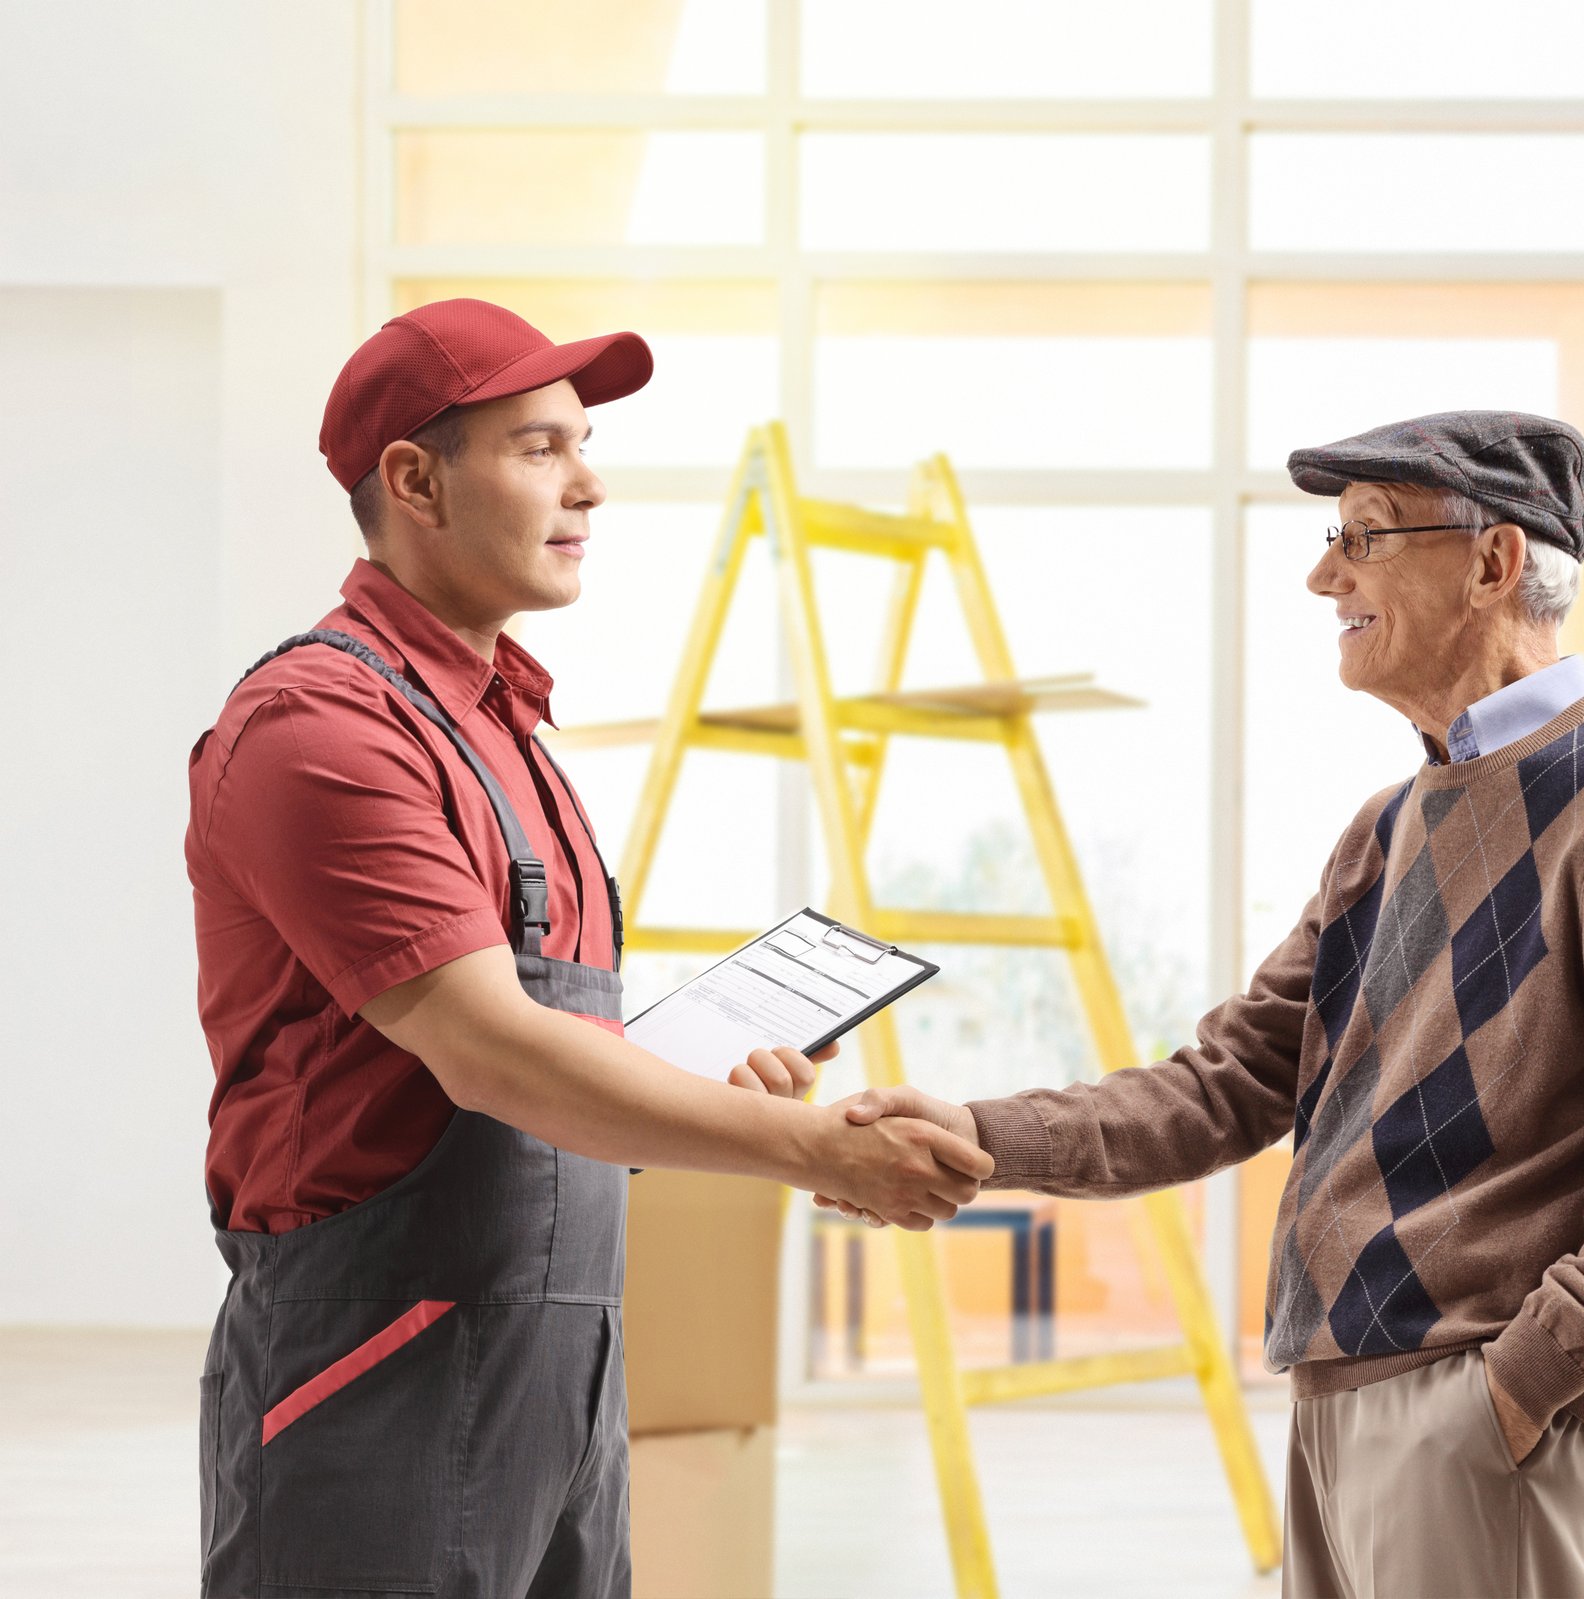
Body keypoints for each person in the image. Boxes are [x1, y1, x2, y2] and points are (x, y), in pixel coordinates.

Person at [834, 411, 1584, 1598]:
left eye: (1366, 537)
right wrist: (975, 1135)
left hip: (1473, 1406)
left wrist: (1525, 1383)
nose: (1325, 574)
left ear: (1493, 563)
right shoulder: (1388, 826)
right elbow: (1222, 1085)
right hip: (1339, 1397)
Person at [186, 298, 991, 1597]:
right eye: (541, 447)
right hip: (376, 1371)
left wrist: (696, 1077)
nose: (591, 484)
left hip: (558, 1375)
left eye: (585, 443)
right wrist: (811, 1148)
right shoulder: (315, 727)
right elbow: (491, 1047)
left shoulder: (510, 731)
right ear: (413, 480)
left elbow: (552, 1040)